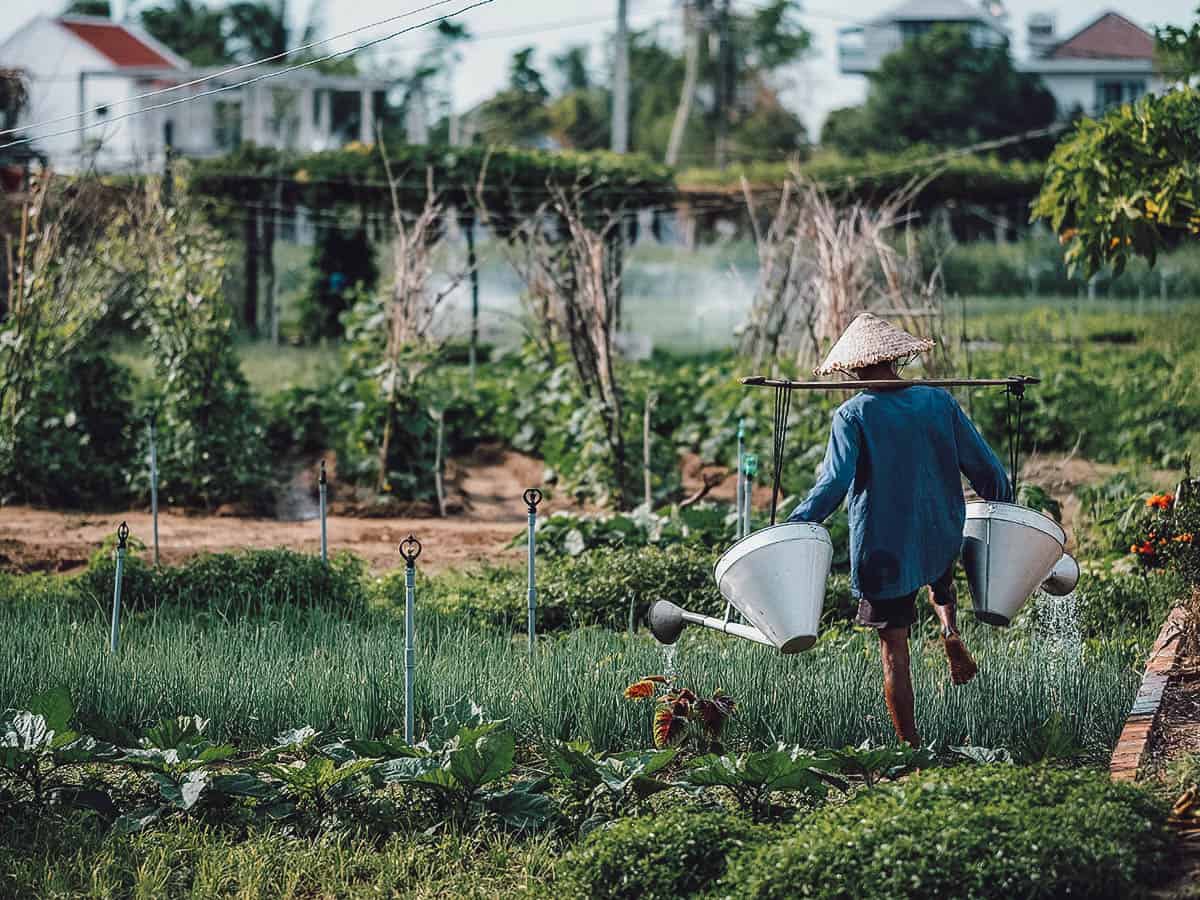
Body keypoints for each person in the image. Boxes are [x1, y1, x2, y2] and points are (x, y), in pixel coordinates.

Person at [787, 312, 1012, 747]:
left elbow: (834, 482)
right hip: (940, 529)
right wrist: (1004, 504)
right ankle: (949, 629)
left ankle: (909, 748)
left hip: (884, 547)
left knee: (894, 652)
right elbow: (986, 469)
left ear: (852, 368)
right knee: (936, 572)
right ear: (895, 359)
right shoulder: (938, 402)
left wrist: (798, 523)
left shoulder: (853, 415)